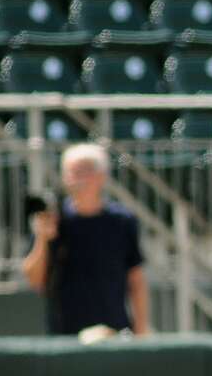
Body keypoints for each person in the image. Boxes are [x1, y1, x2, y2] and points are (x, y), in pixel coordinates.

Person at [22, 143, 150, 337]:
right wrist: (42, 238)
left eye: (84, 171)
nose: (76, 178)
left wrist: (141, 330)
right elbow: (35, 280)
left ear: (102, 176)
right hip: (65, 335)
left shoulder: (122, 221)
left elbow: (136, 279)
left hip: (112, 332)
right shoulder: (54, 219)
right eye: (71, 172)